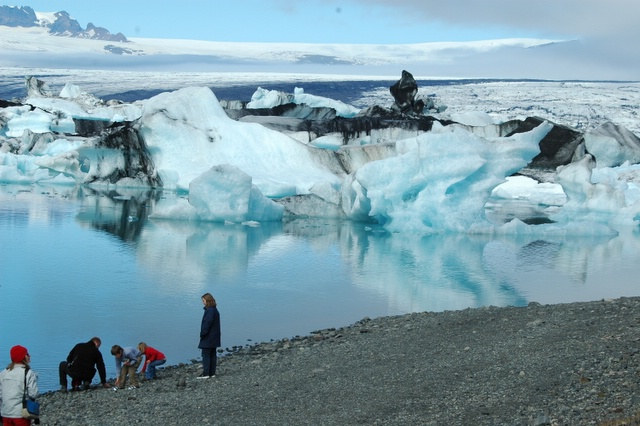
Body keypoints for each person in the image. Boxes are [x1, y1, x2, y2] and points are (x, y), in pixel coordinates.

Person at [0, 345, 38, 426]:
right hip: (21, 413)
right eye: (27, 354)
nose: (29, 356)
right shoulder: (28, 373)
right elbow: (33, 394)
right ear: (23, 357)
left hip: (5, 413)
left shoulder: (3, 373)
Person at [198, 292, 221, 379]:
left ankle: (206, 373)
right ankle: (212, 373)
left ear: (207, 301)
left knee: (206, 355)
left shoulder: (210, 311)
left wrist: (202, 334)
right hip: (215, 337)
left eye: (203, 300)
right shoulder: (215, 310)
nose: (203, 302)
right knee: (212, 355)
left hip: (208, 337)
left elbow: (207, 324)